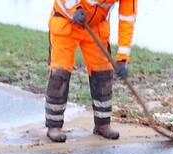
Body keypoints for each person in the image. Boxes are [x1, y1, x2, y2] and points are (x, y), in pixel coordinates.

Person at [45, 0, 136, 143]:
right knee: (60, 73)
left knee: (103, 74)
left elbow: (127, 19)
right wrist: (73, 9)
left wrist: (123, 58)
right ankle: (54, 126)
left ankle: (102, 124)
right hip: (67, 21)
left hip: (95, 27)